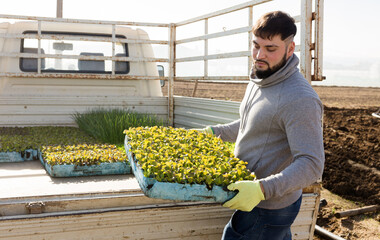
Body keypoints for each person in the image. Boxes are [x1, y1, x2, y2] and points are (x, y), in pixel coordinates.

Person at [201, 11, 325, 240]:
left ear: (290, 49)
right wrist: (213, 133)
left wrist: (261, 190)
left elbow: (311, 164)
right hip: (254, 196)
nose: (259, 55)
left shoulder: (299, 98)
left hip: (269, 207)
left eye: (270, 49)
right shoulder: (262, 77)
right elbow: (254, 124)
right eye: (256, 45)